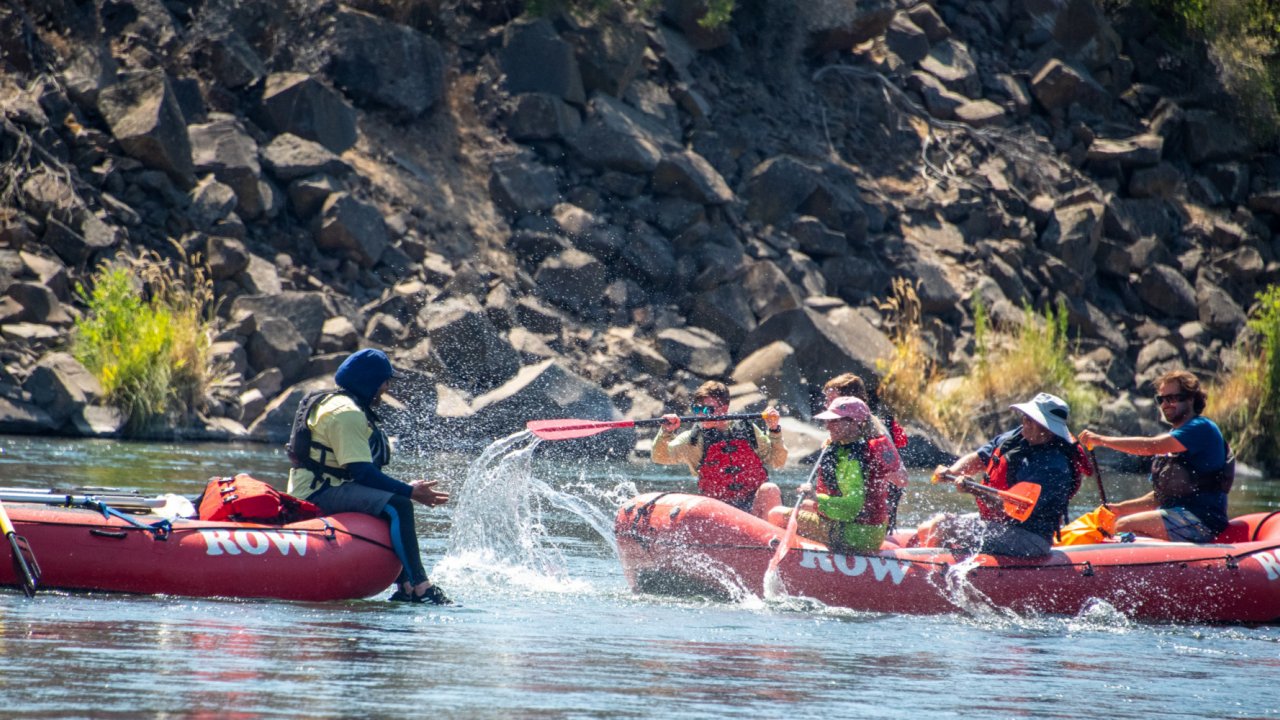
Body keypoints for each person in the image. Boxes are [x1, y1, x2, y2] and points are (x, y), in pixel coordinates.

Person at [286, 348, 453, 604]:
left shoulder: (332, 401)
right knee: (399, 505)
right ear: (370, 383)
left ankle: (406, 586)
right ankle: (421, 587)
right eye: (385, 381)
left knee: (390, 500)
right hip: (319, 492)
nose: (386, 388)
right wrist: (409, 492)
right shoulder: (347, 414)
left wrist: (400, 488)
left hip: (323, 485)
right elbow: (362, 473)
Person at [915, 393, 1083, 557]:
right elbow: (979, 459)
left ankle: (931, 576)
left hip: (1030, 537)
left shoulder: (1054, 468)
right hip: (1001, 525)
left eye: (1032, 420)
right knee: (927, 528)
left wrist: (974, 490)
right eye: (1025, 416)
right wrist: (952, 471)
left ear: (1048, 430)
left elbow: (1014, 510)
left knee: (942, 526)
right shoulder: (1015, 438)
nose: (1025, 421)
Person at [1078, 370, 1235, 543]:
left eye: (1172, 398)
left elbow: (1152, 446)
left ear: (1190, 399)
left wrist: (1101, 440)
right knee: (1122, 531)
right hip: (1177, 519)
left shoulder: (1201, 427)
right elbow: (1159, 498)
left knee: (1123, 526)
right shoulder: (1175, 437)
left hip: (1200, 521)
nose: (1165, 404)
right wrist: (1119, 509)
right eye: (1161, 399)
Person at [776, 396, 898, 553]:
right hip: (870, 532)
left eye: (834, 421)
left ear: (854, 423)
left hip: (855, 534)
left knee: (777, 515)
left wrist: (815, 496)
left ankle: (790, 557)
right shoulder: (854, 447)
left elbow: (852, 507)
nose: (828, 426)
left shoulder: (854, 456)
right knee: (806, 506)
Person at [652, 380, 787, 517]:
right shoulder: (692, 440)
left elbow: (777, 461)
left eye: (708, 410)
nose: (702, 415)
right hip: (718, 513)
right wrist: (666, 432)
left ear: (724, 408)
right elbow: (659, 457)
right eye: (697, 409)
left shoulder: (747, 430)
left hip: (753, 507)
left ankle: (775, 535)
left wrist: (774, 429)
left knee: (770, 489)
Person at [822, 373, 909, 530]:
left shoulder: (877, 433)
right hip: (845, 508)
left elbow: (900, 478)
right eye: (827, 400)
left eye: (831, 400)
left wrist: (873, 477)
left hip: (873, 515)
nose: (826, 406)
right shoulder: (840, 436)